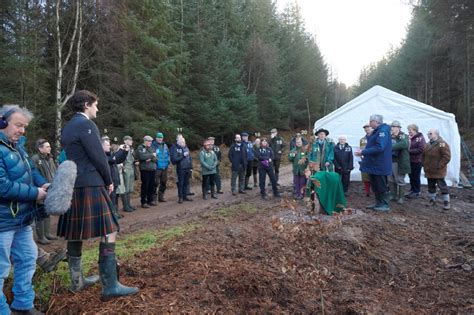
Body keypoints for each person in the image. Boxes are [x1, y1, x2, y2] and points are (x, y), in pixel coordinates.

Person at [57, 90, 138, 300]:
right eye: (95, 104)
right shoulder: (86, 125)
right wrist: (109, 180)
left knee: (75, 233)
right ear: (86, 104)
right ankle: (110, 285)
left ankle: (77, 281)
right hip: (91, 184)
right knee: (110, 229)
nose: (97, 108)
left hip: (73, 184)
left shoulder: (68, 127)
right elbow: (99, 157)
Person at [0, 105, 48, 315]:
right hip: (2, 222)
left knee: (28, 260)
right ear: (2, 123)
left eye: (24, 127)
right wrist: (35, 193)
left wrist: (44, 185)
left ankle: (23, 304)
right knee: (1, 269)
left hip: (21, 219)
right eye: (18, 125)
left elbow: (32, 170)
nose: (22, 131)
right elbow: (3, 186)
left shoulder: (17, 146)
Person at [355, 114, 392, 212]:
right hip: (374, 164)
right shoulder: (377, 131)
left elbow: (380, 147)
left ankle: (384, 204)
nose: (369, 123)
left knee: (381, 184)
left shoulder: (382, 131)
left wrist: (363, 152)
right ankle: (378, 202)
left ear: (376, 121)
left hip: (380, 164)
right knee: (375, 184)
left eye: (371, 121)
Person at [31, 138, 58, 245]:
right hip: (40, 189)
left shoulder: (50, 158)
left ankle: (47, 234)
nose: (50, 148)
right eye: (47, 146)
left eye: (50, 146)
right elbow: (34, 175)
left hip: (50, 188)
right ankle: (41, 237)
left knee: (47, 212)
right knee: (40, 213)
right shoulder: (35, 159)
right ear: (40, 148)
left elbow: (54, 171)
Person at [423, 128, 451, 210]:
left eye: (430, 133)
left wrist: (439, 166)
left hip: (438, 171)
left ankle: (446, 202)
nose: (428, 135)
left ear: (436, 134)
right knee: (431, 185)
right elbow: (423, 155)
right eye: (428, 133)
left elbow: (446, 157)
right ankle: (432, 200)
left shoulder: (442, 143)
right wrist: (423, 163)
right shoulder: (428, 144)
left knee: (442, 186)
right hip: (429, 170)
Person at [102, 138, 127, 218]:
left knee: (115, 198)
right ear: (102, 146)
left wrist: (125, 152)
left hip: (114, 180)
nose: (109, 146)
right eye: (107, 145)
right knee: (110, 199)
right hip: (109, 182)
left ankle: (114, 213)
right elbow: (113, 159)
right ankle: (111, 216)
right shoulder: (102, 155)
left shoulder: (109, 154)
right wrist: (120, 150)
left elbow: (119, 160)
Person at [389, 121, 411, 204]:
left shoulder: (403, 136)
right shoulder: (390, 136)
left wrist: (391, 147)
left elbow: (404, 144)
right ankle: (393, 195)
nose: (392, 128)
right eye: (392, 127)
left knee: (399, 179)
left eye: (394, 127)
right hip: (390, 160)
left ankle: (401, 197)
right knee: (390, 179)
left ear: (398, 128)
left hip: (400, 161)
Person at [170, 136, 193, 203]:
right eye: (182, 142)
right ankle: (180, 197)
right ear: (178, 142)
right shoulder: (175, 148)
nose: (184, 143)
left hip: (187, 168)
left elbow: (189, 158)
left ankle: (185, 196)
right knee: (181, 183)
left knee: (186, 183)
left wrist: (191, 167)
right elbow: (174, 160)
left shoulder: (186, 148)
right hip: (180, 168)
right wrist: (183, 155)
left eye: (184, 142)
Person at [137, 135, 157, 208]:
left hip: (152, 169)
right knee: (145, 185)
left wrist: (150, 158)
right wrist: (151, 155)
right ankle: (143, 202)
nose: (150, 143)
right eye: (149, 141)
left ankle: (150, 200)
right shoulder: (140, 147)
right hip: (144, 169)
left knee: (151, 185)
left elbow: (156, 159)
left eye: (151, 141)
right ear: (145, 141)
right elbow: (142, 157)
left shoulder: (152, 148)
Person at [406, 124, 426, 199]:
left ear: (415, 130)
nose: (409, 132)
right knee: (411, 176)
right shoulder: (411, 138)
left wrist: (409, 151)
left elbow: (421, 149)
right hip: (410, 160)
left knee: (416, 176)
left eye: (410, 130)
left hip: (417, 161)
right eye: (409, 131)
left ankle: (416, 191)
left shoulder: (420, 138)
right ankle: (412, 189)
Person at [151, 132, 170, 203]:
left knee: (163, 182)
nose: (160, 139)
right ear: (156, 138)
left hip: (165, 167)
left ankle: (161, 197)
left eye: (161, 137)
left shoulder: (165, 145)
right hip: (157, 167)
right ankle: (153, 198)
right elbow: (152, 156)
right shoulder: (153, 146)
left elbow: (168, 154)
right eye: (158, 137)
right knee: (155, 183)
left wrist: (168, 161)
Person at [120, 135, 137, 212]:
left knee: (130, 188)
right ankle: (125, 206)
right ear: (125, 141)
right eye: (129, 140)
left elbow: (133, 159)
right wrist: (123, 168)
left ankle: (129, 205)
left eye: (131, 140)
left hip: (131, 168)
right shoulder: (122, 148)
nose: (131, 141)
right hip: (126, 169)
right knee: (125, 189)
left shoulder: (131, 149)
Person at [359, 123, 373, 197]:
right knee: (365, 176)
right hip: (365, 160)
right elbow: (362, 149)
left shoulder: (375, 138)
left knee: (374, 176)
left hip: (374, 160)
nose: (367, 129)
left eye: (368, 128)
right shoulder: (362, 140)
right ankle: (367, 191)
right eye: (365, 128)